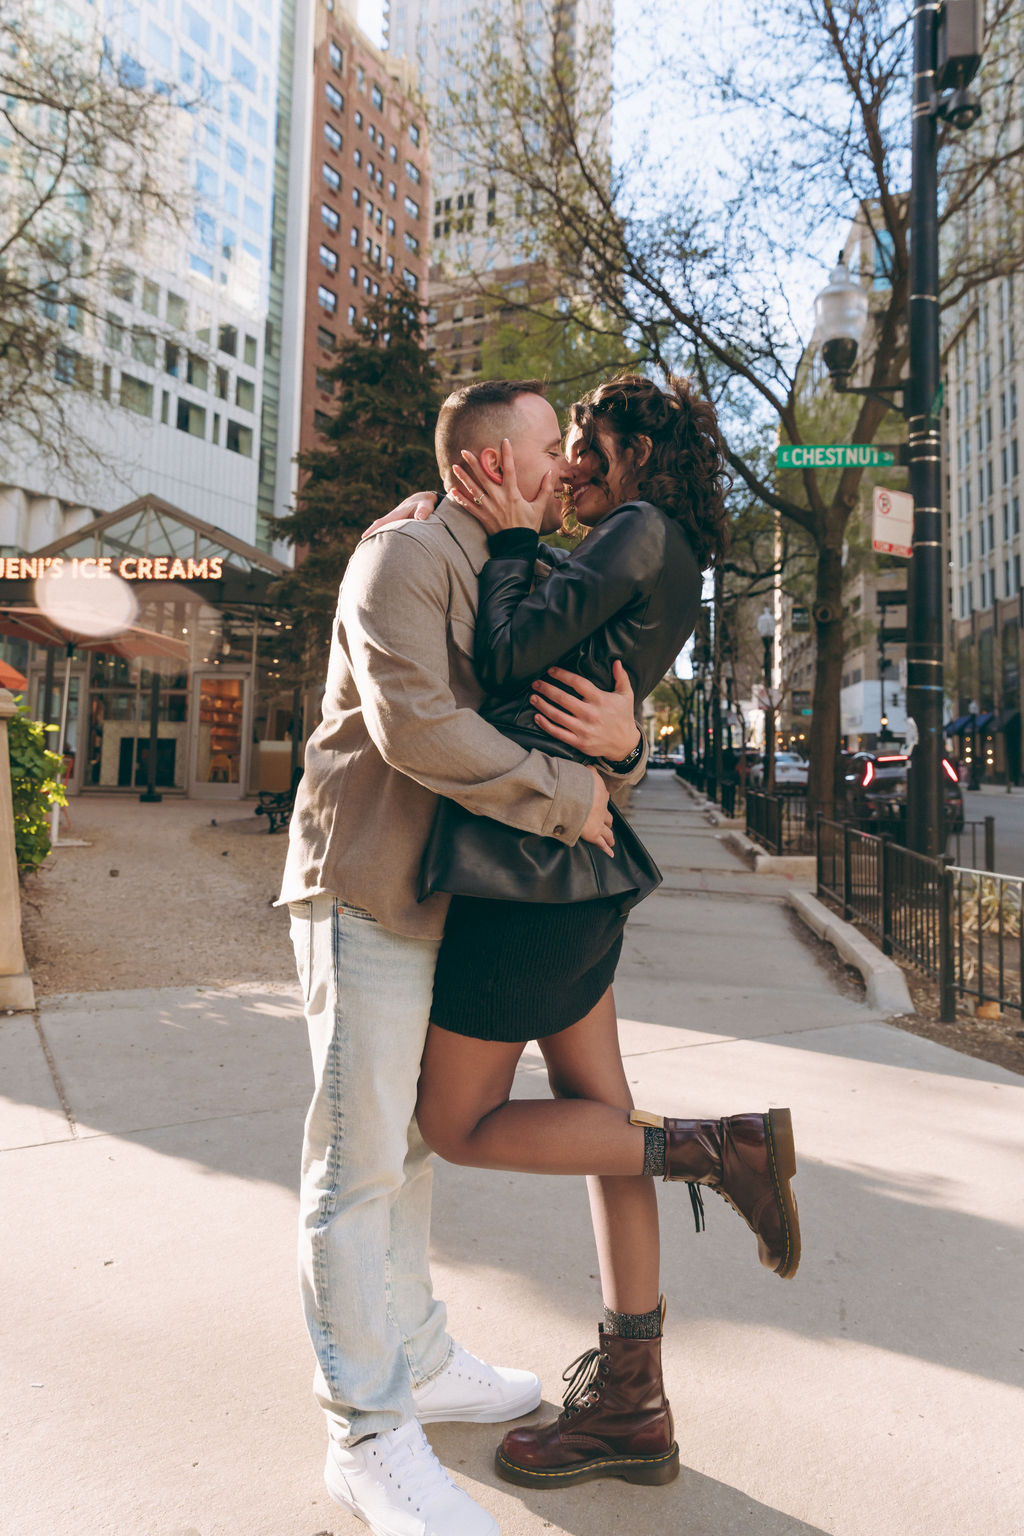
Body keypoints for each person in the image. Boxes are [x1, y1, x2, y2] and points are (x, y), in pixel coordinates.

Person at [386, 373, 801, 1491]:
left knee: (456, 1121)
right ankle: (634, 1408)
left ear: (628, 450)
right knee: (597, 1122)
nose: (568, 461)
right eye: (556, 446)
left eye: (582, 441)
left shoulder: (636, 528)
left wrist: (515, 533)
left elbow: (514, 650)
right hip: (568, 864)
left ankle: (718, 1149)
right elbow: (573, 666)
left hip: (528, 877)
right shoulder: (651, 538)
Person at [278, 378, 651, 1536]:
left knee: (403, 1152)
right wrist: (566, 798)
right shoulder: (400, 558)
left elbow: (567, 723)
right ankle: (366, 1429)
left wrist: (620, 753)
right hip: (368, 894)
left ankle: (420, 1362)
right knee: (355, 1172)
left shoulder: (515, 571)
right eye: (551, 448)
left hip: (447, 906)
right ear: (490, 464)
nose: (569, 469)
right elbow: (420, 730)